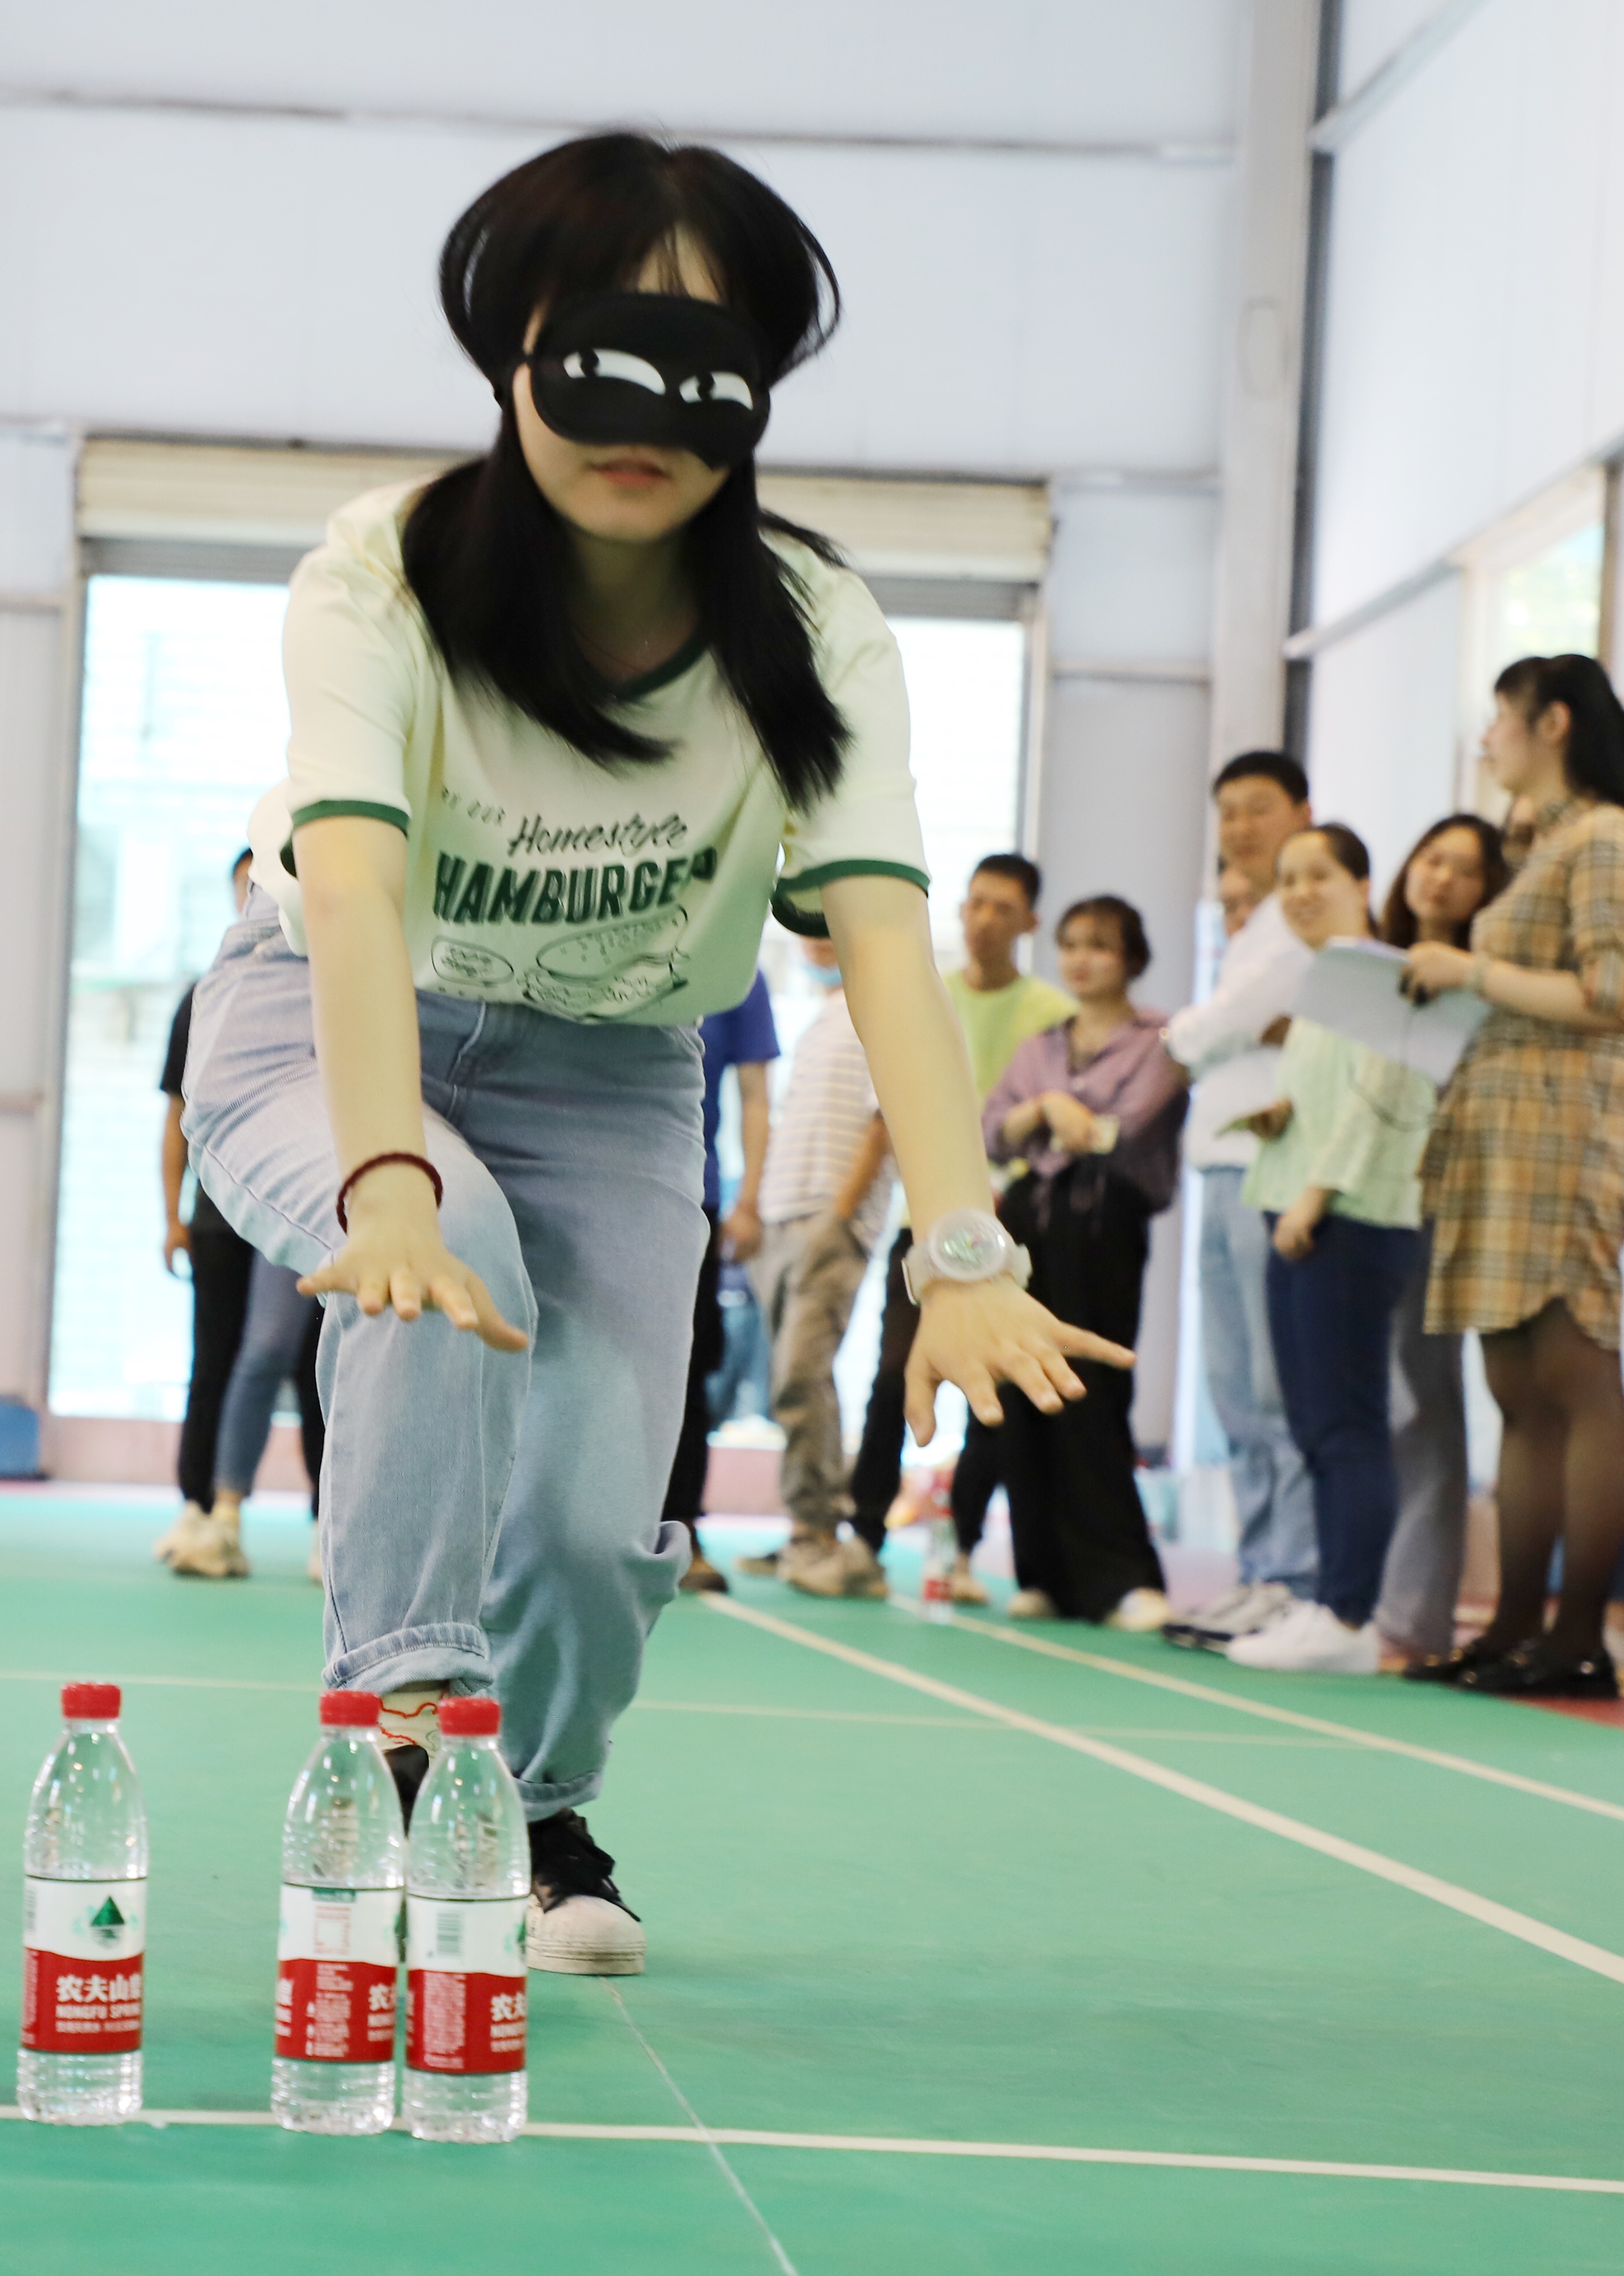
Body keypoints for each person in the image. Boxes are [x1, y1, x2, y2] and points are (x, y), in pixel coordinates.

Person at [180, 136, 1124, 1978]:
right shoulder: (384, 572)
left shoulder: (813, 624)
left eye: (709, 358)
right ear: (511, 352)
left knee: (607, 1526)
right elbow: (358, 895)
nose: (648, 406)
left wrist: (961, 1249)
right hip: (325, 1014)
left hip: (614, 1066)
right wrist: (383, 1173)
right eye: (601, 345)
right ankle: (399, 1751)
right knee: (444, 1247)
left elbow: (879, 946)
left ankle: (531, 1803)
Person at [1405, 657, 1624, 1697]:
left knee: (1574, 1371)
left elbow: (1614, 993)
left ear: (1553, 722)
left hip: (1566, 1123)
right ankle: (1514, 1624)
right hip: (1498, 1125)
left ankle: (1580, 1636)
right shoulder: (1540, 846)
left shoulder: (1610, 840)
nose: (1487, 739)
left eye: (1500, 720)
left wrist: (1468, 970)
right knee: (1517, 1386)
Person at [1226, 827, 1438, 1674]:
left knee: (1348, 1424)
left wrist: (1316, 1193)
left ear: (1362, 882)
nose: (1300, 891)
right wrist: (1280, 1115)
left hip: (1350, 1216)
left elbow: (1387, 1094)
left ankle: (1350, 1618)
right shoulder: (1324, 983)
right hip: (1299, 1205)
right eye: (1287, 880)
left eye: (1319, 875)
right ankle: (1327, 1600)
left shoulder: (1383, 976)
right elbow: (1331, 1091)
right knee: (1315, 1424)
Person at [847, 854, 1073, 1597]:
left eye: (1001, 908)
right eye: (973, 904)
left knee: (992, 1389)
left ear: (1028, 921)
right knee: (890, 1380)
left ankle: (964, 1550)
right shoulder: (929, 996)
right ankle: (864, 1538)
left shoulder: (1048, 1014)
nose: (982, 920)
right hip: (924, 1231)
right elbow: (893, 1111)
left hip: (1006, 1232)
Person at [981, 897, 1187, 1628]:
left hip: (1102, 1228)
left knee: (1090, 1394)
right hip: (1030, 1226)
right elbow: (992, 1131)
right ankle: (1042, 1573)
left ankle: (1123, 1578)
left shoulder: (1162, 1038)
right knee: (1024, 1393)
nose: (1080, 958)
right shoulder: (1039, 1043)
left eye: (1099, 945)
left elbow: (1125, 1129)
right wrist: (1044, 1111)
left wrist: (1048, 1113)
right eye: (1070, 944)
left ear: (1132, 957)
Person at [1159, 753, 1321, 1649]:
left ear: (1302, 811)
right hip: (1219, 1165)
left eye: (1260, 808)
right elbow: (1222, 1030)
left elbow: (1202, 1033)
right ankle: (1261, 1570)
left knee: (1272, 1383)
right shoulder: (1250, 928)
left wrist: (1203, 1030)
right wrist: (1216, 1030)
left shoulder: (1302, 922)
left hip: (1273, 1169)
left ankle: (1296, 1575)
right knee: (1232, 1390)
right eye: (1228, 811)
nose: (1242, 827)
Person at [157, 851, 328, 1582]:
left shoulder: (338, 980)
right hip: (232, 1213)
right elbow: (179, 1113)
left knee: (326, 1364)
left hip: (321, 1206)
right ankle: (214, 1510)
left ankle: (335, 1525)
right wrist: (172, 1214)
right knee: (242, 1357)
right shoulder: (211, 997)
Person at [1367, 816, 1510, 1658]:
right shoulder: (1365, 968)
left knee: (1421, 1403)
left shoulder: (1487, 990)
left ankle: (1413, 1620)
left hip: (1433, 1205)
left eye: (1464, 869)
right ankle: (1345, 1596)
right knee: (1352, 1410)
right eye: (1430, 858)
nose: (1441, 878)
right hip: (1351, 1203)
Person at [741, 938, 893, 1593]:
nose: (815, 940)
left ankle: (820, 1536)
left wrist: (839, 1215)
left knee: (800, 1378)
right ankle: (809, 1531)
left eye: (830, 924)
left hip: (827, 1222)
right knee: (793, 1383)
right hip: (779, 1219)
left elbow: (883, 1121)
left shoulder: (880, 1013)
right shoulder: (820, 1021)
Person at [663, 969, 781, 1592]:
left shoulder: (737, 971)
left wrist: (751, 1199)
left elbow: (756, 1095)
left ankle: (680, 1530)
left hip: (689, 1197)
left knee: (685, 1372)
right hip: (580, 1187)